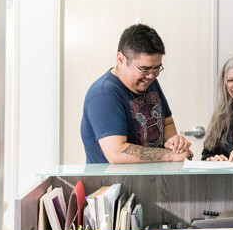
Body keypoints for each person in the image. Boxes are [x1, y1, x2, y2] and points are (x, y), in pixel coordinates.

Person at [81, 24, 193, 164]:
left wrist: (174, 143)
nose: (151, 75)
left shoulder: (148, 81)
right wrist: (170, 156)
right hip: (116, 184)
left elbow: (167, 122)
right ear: (121, 59)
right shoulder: (103, 94)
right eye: (144, 69)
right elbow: (117, 153)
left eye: (157, 68)